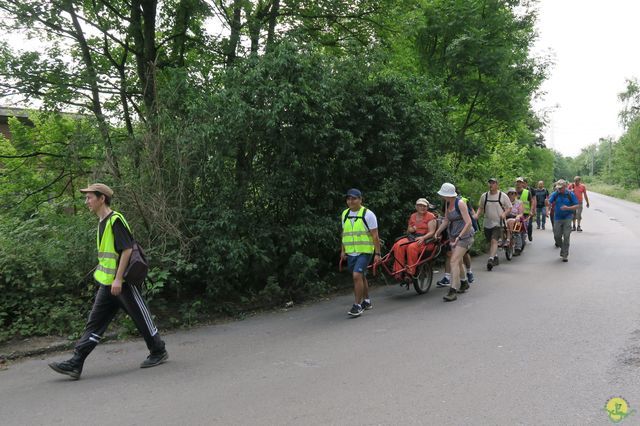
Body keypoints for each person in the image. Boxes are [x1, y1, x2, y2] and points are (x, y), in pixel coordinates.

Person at [49, 184, 168, 380]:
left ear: (101, 198)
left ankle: (158, 350)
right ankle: (76, 362)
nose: (86, 201)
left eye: (89, 198)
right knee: (94, 324)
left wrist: (119, 279)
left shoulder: (115, 220)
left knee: (141, 316)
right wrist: (110, 280)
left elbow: (127, 249)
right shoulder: (101, 222)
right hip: (107, 283)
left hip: (123, 283)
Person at [340, 188, 381, 317]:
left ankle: (357, 305)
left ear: (360, 200)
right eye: (348, 199)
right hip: (351, 252)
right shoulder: (345, 214)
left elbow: (375, 236)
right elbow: (344, 234)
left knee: (356, 275)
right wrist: (343, 251)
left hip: (365, 251)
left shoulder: (368, 214)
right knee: (361, 276)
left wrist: (377, 254)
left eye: (354, 198)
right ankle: (367, 301)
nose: (351, 201)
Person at [434, 183, 474, 302]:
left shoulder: (460, 203)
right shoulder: (447, 203)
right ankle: (464, 282)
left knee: (454, 260)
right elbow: (446, 220)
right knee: (458, 261)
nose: (442, 196)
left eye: (443, 194)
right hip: (453, 235)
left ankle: (453, 290)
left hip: (465, 236)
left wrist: (459, 236)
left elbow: (469, 222)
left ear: (448, 194)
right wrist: (438, 232)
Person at [391, 198, 437, 277]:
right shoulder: (413, 216)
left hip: (426, 239)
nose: (422, 208)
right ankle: (398, 271)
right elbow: (408, 230)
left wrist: (423, 238)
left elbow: (432, 232)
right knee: (398, 245)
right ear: (416, 207)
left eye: (424, 206)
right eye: (420, 206)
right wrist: (411, 229)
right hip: (412, 237)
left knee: (412, 247)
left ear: (427, 207)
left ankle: (410, 272)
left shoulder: (430, 216)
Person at [475, 178, 512, 271]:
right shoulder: (484, 196)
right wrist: (477, 215)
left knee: (494, 241)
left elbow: (509, 207)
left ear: (497, 185)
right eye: (490, 183)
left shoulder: (502, 196)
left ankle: (490, 260)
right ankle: (495, 257)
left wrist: (504, 214)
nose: (491, 185)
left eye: (493, 183)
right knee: (490, 241)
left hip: (498, 223)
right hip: (487, 223)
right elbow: (480, 207)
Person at [548, 179, 579, 262]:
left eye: (560, 188)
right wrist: (546, 203)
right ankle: (563, 247)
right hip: (557, 217)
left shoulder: (570, 194)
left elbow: (577, 205)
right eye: (558, 188)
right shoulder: (556, 194)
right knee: (557, 236)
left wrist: (568, 208)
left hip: (568, 217)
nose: (559, 189)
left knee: (566, 236)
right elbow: (549, 202)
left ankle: (565, 254)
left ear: (565, 187)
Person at [505, 188, 525, 253]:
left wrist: (517, 217)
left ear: (515, 194)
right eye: (509, 193)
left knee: (517, 231)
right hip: (507, 217)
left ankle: (518, 247)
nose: (511, 195)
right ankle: (505, 240)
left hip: (517, 217)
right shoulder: (505, 203)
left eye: (513, 193)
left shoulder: (519, 202)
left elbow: (521, 213)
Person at [516, 177, 536, 242]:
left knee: (528, 226)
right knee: (517, 228)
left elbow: (532, 201)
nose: (518, 184)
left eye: (520, 182)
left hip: (526, 214)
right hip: (516, 214)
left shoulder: (527, 192)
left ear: (523, 183)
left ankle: (528, 236)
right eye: (517, 182)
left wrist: (531, 210)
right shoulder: (512, 192)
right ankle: (518, 244)